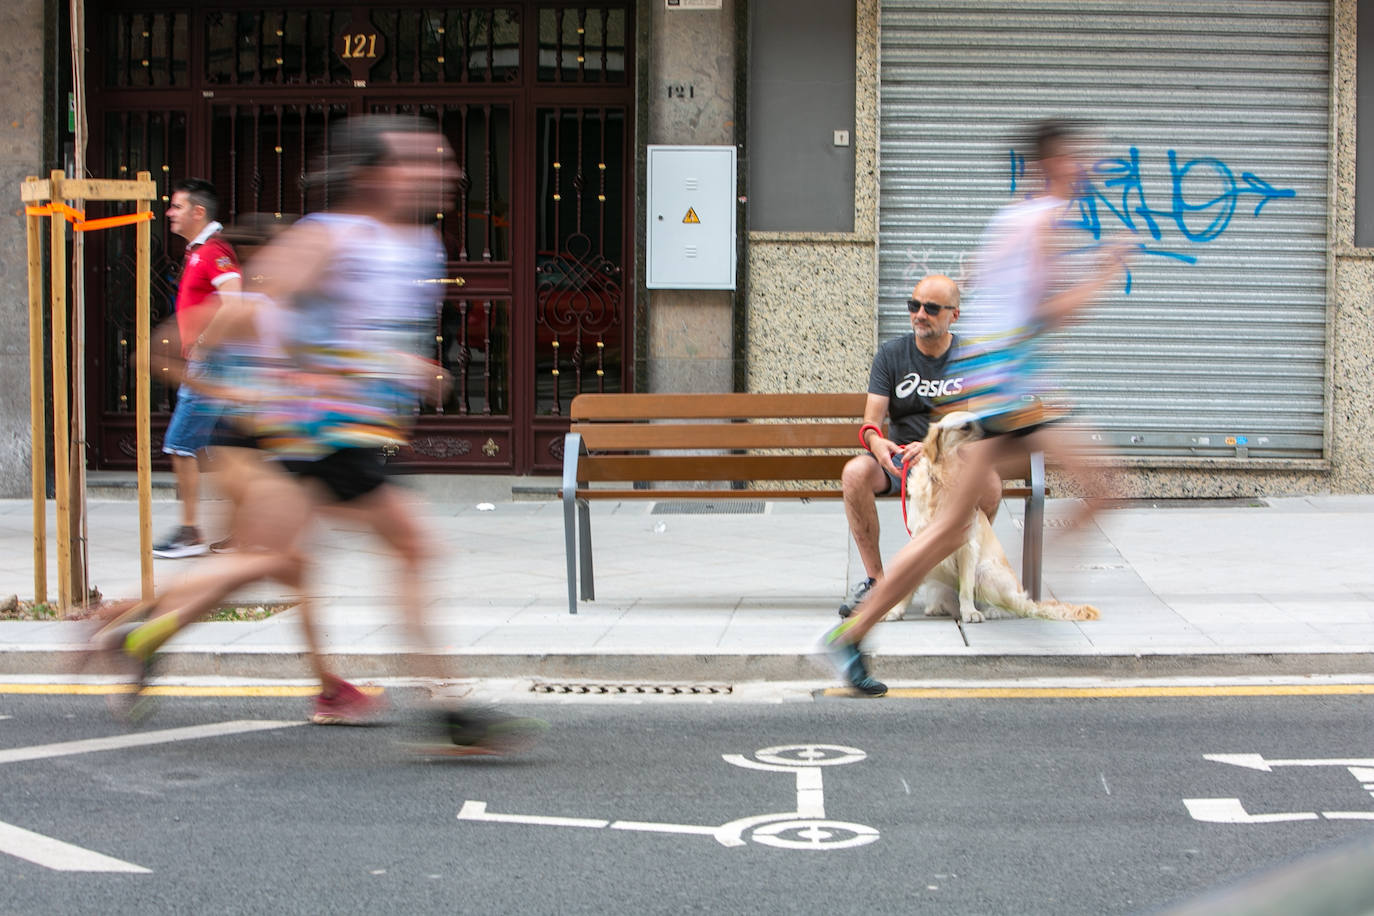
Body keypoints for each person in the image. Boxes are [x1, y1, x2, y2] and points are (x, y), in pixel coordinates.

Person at [96, 115, 542, 750]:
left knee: (281, 560)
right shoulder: (331, 237)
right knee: (368, 553)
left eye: (444, 162)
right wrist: (285, 371)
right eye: (424, 161)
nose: (445, 173)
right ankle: (448, 713)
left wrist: (396, 366)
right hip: (315, 434)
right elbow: (268, 308)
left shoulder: (418, 243)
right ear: (379, 175)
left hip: (342, 434)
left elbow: (361, 331)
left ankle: (139, 634)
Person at [822, 119, 1130, 697]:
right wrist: (1104, 276)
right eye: (1078, 158)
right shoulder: (1042, 221)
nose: (1088, 167)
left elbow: (992, 297)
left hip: (998, 388)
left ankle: (852, 636)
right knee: (1107, 486)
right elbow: (1047, 313)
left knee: (944, 532)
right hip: (1016, 393)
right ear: (1053, 163)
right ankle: (1037, 588)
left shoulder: (1012, 219)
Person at [838, 273, 1003, 618]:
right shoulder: (891, 355)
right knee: (855, 473)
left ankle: (961, 573)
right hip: (900, 463)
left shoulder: (973, 358)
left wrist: (936, 450)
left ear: (953, 314)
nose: (919, 314)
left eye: (930, 308)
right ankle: (878, 582)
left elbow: (984, 429)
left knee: (990, 484)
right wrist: (876, 442)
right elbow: (871, 422)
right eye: (914, 305)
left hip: (952, 463)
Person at [152, 179, 240, 559]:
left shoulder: (214, 251)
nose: (170, 213)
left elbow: (234, 301)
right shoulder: (198, 252)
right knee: (229, 451)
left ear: (198, 212)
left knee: (180, 444)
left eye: (177, 206)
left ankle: (189, 532)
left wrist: (205, 345)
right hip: (214, 363)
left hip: (211, 365)